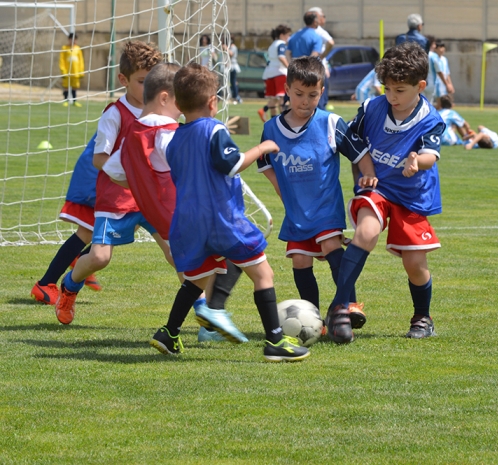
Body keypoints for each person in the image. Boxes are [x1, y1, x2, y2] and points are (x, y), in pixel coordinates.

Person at [151, 63, 309, 361]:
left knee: (195, 281)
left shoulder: (174, 140)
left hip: (189, 223)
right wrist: (262, 148)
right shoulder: (214, 129)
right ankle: (275, 341)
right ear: (213, 102)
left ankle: (169, 333)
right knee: (264, 274)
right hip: (223, 220)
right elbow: (233, 164)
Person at [103, 62, 244, 345]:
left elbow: (114, 171)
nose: (184, 108)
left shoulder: (132, 133)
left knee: (195, 267)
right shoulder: (167, 131)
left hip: (162, 216)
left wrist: (145, 190)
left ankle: (188, 325)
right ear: (166, 98)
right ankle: (211, 317)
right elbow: (190, 158)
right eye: (180, 101)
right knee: (236, 254)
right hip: (189, 211)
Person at [325, 41, 445, 344]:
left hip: (412, 196)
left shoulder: (431, 119)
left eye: (399, 90)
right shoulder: (372, 109)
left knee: (415, 265)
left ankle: (423, 316)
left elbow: (430, 154)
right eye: (387, 88)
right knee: (366, 232)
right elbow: (351, 143)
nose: (391, 96)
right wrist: (362, 175)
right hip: (378, 189)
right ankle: (340, 306)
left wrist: (417, 161)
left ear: (420, 86)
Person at [258, 56, 377, 327]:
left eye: (313, 95)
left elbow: (359, 152)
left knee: (331, 245)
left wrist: (368, 175)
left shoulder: (330, 123)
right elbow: (264, 163)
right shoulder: (271, 129)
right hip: (297, 211)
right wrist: (281, 192)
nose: (305, 101)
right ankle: (314, 320)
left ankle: (348, 304)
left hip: (325, 206)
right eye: (299, 94)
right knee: (300, 260)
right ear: (286, 89)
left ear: (322, 92)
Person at [54, 41, 166, 325]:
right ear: (123, 80)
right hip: (115, 198)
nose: (149, 88)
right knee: (101, 257)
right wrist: (130, 174)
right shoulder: (114, 114)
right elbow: (100, 159)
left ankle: (202, 312)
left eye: (153, 82)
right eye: (142, 82)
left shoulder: (164, 114)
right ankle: (70, 285)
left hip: (152, 197)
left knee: (177, 253)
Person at [30, 135, 102, 305]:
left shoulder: (139, 114)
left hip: (110, 176)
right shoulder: (119, 113)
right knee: (89, 230)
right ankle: (46, 283)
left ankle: (81, 259)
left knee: (129, 224)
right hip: (98, 176)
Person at [258, 24, 292, 122]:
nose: (288, 38)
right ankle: (283, 122)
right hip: (279, 73)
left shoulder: (272, 45)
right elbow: (281, 57)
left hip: (269, 73)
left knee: (274, 99)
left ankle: (271, 119)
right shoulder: (281, 44)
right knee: (282, 98)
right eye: (288, 35)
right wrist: (290, 68)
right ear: (282, 35)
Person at [307, 7, 334, 110]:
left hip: (308, 68)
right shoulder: (319, 31)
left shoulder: (302, 32)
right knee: (320, 100)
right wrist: (322, 56)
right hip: (317, 68)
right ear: (316, 17)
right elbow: (331, 42)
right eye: (323, 16)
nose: (324, 18)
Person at [59, 32, 85, 107]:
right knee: (66, 86)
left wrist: (81, 71)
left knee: (75, 86)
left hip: (76, 71)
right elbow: (61, 60)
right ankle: (66, 100)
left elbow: (81, 61)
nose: (73, 41)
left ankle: (74, 101)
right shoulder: (64, 48)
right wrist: (62, 70)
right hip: (67, 72)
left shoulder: (78, 49)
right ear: (69, 40)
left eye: (75, 39)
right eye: (71, 39)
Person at [425, 37, 450, 104]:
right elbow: (439, 71)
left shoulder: (422, 53)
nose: (435, 45)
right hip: (431, 83)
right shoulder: (434, 56)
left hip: (422, 83)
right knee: (429, 104)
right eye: (434, 44)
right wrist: (447, 84)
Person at [226, 34, 243, 104]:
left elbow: (231, 54)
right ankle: (233, 97)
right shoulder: (229, 47)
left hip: (232, 66)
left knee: (233, 82)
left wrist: (226, 48)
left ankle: (236, 97)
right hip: (228, 66)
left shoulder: (233, 47)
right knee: (230, 83)